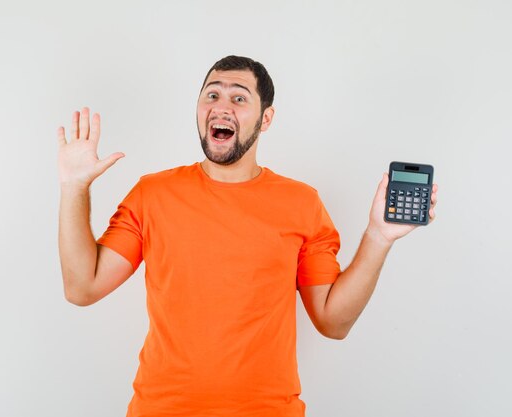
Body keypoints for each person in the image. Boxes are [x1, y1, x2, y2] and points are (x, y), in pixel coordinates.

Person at [56, 55, 438, 417]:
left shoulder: (301, 203)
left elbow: (332, 322)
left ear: (266, 118)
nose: (222, 106)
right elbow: (82, 287)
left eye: (239, 97)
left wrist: (378, 236)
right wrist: (74, 187)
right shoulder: (152, 194)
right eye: (212, 94)